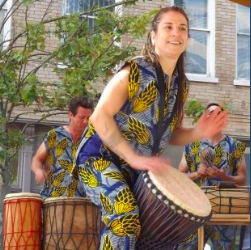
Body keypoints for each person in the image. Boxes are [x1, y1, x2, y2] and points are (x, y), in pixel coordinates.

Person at [74, 7, 228, 250]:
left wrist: (198, 131)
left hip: (136, 169)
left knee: (179, 234)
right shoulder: (134, 70)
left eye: (182, 28)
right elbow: (100, 116)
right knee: (125, 216)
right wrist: (135, 158)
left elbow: (173, 133)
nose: (176, 33)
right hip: (98, 159)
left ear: (187, 38)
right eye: (168, 27)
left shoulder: (181, 86)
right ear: (154, 35)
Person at [176, 103, 247, 250]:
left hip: (224, 212)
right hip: (194, 211)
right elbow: (179, 176)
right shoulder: (191, 145)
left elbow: (242, 179)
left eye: (219, 113)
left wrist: (225, 177)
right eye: (210, 113)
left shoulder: (236, 146)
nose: (214, 116)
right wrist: (197, 173)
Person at [31, 97, 93, 198]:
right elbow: (37, 159)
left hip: (82, 201)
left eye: (88, 118)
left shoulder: (92, 140)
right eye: (82, 117)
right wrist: (38, 171)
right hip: (52, 199)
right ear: (70, 114)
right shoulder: (54, 136)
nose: (86, 121)